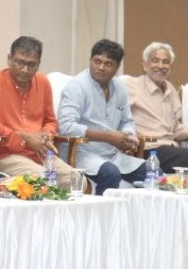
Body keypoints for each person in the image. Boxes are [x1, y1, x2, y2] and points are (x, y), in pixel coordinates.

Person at [0, 36, 72, 185]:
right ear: (9, 59)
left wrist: (46, 135)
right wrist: (24, 137)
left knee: (76, 179)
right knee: (41, 180)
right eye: (19, 62)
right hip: (2, 153)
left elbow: (50, 121)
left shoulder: (43, 82)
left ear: (39, 64)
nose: (25, 70)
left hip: (39, 153)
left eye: (31, 65)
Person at [58, 39, 147, 195]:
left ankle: (135, 218)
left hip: (111, 154)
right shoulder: (76, 86)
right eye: (97, 61)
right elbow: (66, 127)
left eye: (108, 64)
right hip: (81, 152)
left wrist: (128, 137)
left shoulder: (119, 87)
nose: (100, 67)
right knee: (111, 174)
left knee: (150, 172)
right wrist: (109, 137)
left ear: (117, 67)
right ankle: (101, 218)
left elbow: (127, 121)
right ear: (90, 60)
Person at [125, 42, 188, 178]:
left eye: (166, 62)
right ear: (145, 65)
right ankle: (180, 183)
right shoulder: (131, 85)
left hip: (170, 148)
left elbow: (174, 126)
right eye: (155, 61)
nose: (160, 66)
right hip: (148, 150)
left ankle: (176, 183)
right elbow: (116, 115)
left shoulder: (170, 88)